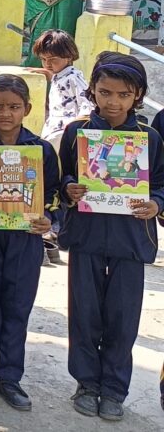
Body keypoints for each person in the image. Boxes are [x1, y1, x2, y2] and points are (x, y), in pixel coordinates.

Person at [57, 52, 164, 422]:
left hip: (130, 240)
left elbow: (160, 183)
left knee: (122, 317)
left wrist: (155, 203)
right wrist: (69, 188)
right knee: (84, 314)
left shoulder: (149, 138)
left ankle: (115, 389)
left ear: (138, 96)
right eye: (105, 92)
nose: (113, 102)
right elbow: (62, 176)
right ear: (93, 90)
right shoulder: (76, 132)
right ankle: (86, 384)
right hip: (86, 237)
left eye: (123, 95)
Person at [0, 75, 60, 411]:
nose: (5, 113)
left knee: (17, 307)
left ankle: (10, 377)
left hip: (26, 240)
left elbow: (54, 193)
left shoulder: (41, 150)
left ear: (27, 109)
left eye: (14, 107)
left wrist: (48, 218)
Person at [31, 29, 94, 149]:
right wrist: (48, 75)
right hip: (53, 130)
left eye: (53, 60)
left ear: (68, 57)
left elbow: (87, 104)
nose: (47, 64)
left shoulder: (74, 77)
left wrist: (76, 128)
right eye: (43, 59)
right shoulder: (59, 75)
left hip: (65, 132)